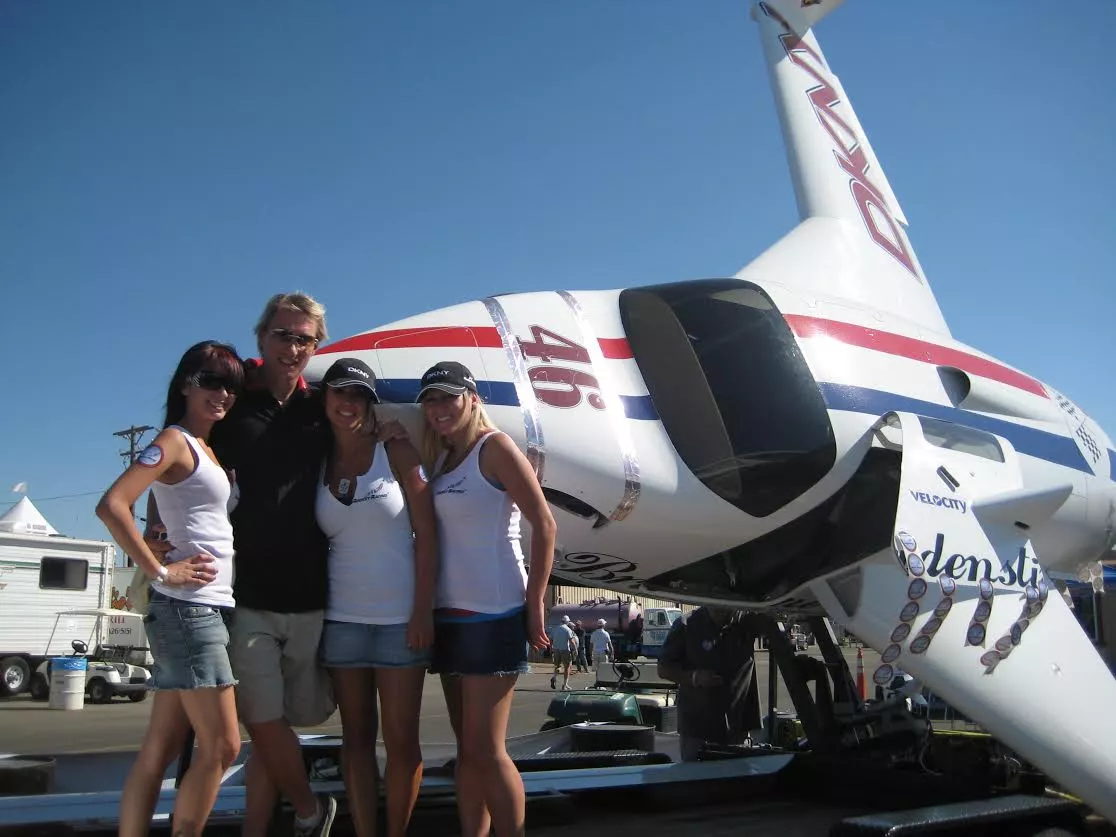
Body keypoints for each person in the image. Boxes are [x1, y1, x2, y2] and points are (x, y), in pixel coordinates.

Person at [148, 293, 337, 837]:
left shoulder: (321, 406)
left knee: (282, 725)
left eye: (304, 338)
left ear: (316, 346)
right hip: (243, 591)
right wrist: (153, 527)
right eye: (283, 334)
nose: (293, 347)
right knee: (260, 719)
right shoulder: (231, 400)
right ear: (262, 338)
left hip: (309, 591)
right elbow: (178, 451)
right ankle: (308, 810)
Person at [96, 341, 244, 837]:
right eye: (210, 381)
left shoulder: (204, 447)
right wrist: (161, 572)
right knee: (222, 746)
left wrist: (161, 545)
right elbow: (114, 504)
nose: (222, 394)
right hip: (189, 610)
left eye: (231, 386)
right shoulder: (175, 441)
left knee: (160, 748)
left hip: (207, 606)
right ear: (185, 384)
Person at [417, 360, 556, 837]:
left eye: (447, 397)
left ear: (472, 398)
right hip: (451, 617)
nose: (437, 408)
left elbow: (545, 523)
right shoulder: (442, 459)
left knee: (486, 750)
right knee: (466, 749)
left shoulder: (493, 448)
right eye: (430, 400)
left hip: (494, 613)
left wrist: (536, 600)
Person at [315, 357, 437, 837]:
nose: (348, 403)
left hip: (399, 622)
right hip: (341, 622)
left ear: (370, 403)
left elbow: (427, 533)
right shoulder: (318, 460)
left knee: (402, 743)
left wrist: (422, 609)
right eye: (340, 393)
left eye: (359, 395)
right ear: (325, 399)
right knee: (356, 741)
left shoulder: (396, 451)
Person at [657, 607, 761, 762]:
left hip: (737, 727)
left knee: (738, 781)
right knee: (697, 780)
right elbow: (663, 669)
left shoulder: (747, 622)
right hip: (698, 729)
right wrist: (695, 678)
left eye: (727, 609)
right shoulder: (686, 625)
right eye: (718, 609)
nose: (724, 612)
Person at [549, 615, 577, 691]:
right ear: (567, 622)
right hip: (565, 650)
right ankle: (565, 685)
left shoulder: (554, 629)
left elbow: (550, 639)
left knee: (557, 666)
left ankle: (554, 677)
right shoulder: (568, 629)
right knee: (567, 667)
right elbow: (572, 641)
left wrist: (551, 648)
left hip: (556, 649)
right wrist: (575, 650)